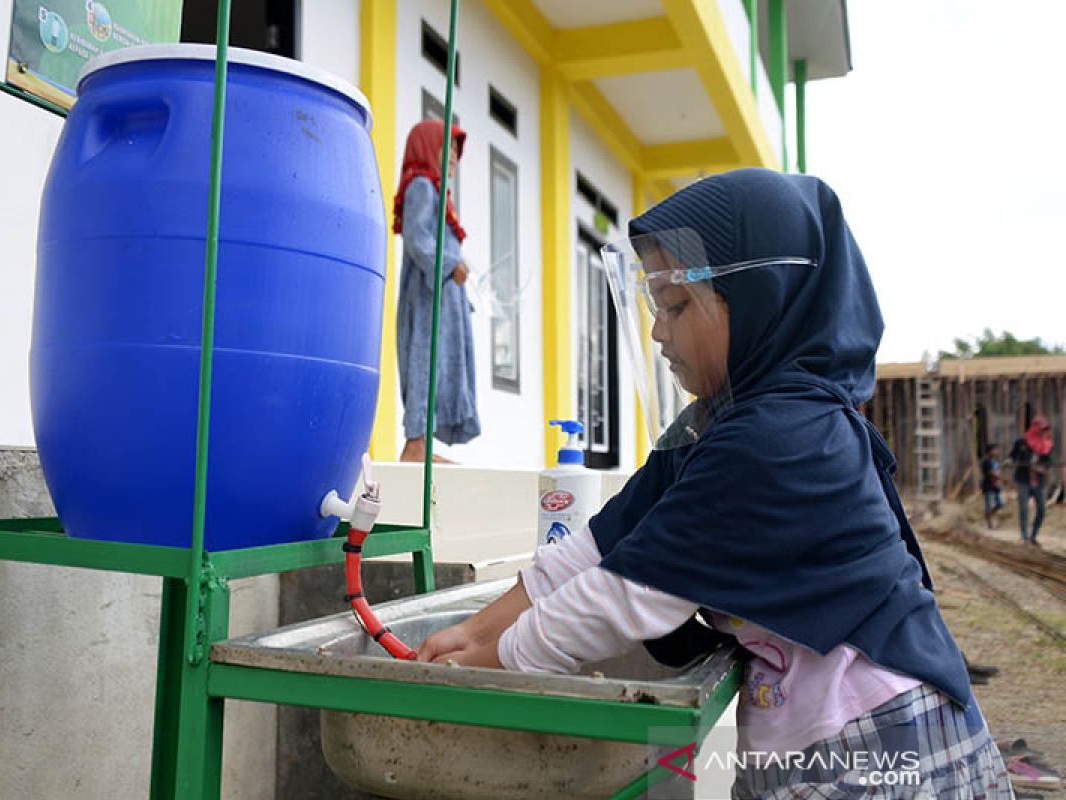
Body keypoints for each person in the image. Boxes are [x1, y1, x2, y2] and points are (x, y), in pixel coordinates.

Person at [417, 169, 1013, 797]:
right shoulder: (715, 426)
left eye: (676, 307)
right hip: (807, 738)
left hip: (882, 739)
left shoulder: (783, 436)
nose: (657, 331)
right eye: (654, 306)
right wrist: (474, 633)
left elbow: (628, 594)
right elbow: (599, 545)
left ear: (759, 301)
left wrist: (485, 667)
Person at [392, 119, 480, 463]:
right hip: (428, 297)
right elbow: (417, 238)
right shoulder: (422, 187)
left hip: (443, 297)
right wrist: (449, 264)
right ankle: (415, 443)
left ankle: (423, 443)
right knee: (424, 361)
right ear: (428, 147)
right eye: (450, 147)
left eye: (459, 149)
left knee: (441, 365)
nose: (456, 156)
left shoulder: (440, 193)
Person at [1010, 416, 1052, 546]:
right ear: (1035, 428)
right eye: (1041, 428)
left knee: (1041, 510)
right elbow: (1013, 456)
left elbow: (1047, 463)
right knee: (1023, 509)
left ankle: (1034, 535)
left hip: (1039, 482)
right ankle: (1025, 537)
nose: (1043, 431)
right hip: (1024, 480)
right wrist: (1009, 462)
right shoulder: (1021, 442)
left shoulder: (1048, 444)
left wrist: (1042, 468)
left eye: (1045, 429)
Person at [980, 442, 1004, 529]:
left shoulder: (995, 461)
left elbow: (997, 471)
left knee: (1000, 503)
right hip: (988, 485)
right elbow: (991, 473)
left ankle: (988, 515)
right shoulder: (986, 461)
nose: (996, 451)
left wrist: (1000, 480)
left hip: (996, 485)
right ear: (990, 451)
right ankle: (990, 524)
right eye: (995, 450)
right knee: (989, 504)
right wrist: (1002, 478)